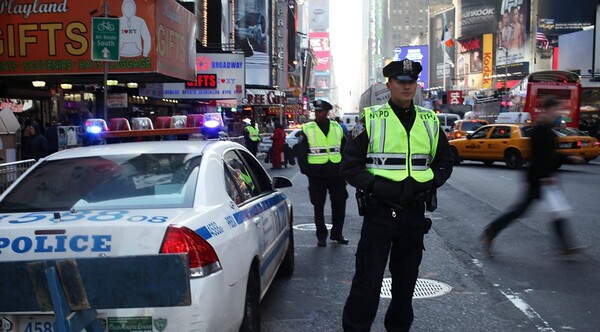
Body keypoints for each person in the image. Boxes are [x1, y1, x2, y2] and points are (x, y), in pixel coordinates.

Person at [340, 59, 454, 331]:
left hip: (413, 213)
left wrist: (426, 183)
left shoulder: (430, 121)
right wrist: (378, 186)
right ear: (389, 84)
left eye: (411, 82)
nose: (407, 87)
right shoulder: (370, 119)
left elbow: (445, 162)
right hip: (379, 211)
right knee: (367, 282)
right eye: (401, 82)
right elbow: (349, 166)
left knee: (405, 285)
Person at [481, 97, 586, 257]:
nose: (558, 113)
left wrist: (569, 157)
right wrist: (544, 177)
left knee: (557, 210)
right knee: (526, 210)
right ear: (548, 109)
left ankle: (565, 246)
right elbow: (538, 156)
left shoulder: (547, 128)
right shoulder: (540, 129)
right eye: (556, 109)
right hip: (540, 178)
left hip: (544, 177)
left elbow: (550, 154)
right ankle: (491, 230)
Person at [295, 99, 349, 247]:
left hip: (336, 175)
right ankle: (321, 236)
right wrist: (307, 171)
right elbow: (301, 153)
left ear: (327, 112)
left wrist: (344, 169)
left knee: (339, 205)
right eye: (316, 111)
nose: (318, 114)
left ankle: (337, 233)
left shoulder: (337, 127)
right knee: (318, 207)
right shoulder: (307, 129)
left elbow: (345, 149)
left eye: (320, 111)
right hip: (317, 176)